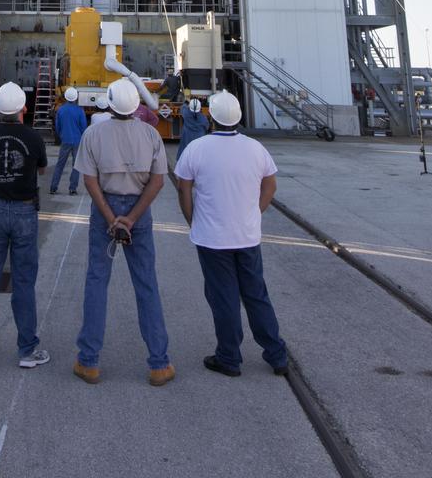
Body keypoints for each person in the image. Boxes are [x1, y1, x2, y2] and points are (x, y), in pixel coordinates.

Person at [175, 89, 288, 378]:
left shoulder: (196, 149)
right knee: (256, 294)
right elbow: (270, 186)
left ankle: (229, 357)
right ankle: (276, 355)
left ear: (209, 117)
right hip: (247, 236)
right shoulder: (255, 148)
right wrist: (254, 213)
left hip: (212, 238)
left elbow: (183, 189)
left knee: (223, 296)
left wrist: (193, 221)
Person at [72, 78, 175, 387]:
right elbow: (158, 181)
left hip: (106, 206)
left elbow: (90, 181)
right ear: (135, 107)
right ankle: (159, 364)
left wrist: (112, 218)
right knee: (146, 284)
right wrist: (131, 218)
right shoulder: (151, 135)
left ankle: (88, 362)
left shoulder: (93, 134)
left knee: (96, 281)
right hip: (138, 211)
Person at [0, 81, 51, 369]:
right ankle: (27, 350)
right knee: (24, 281)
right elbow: (41, 168)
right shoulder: (33, 138)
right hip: (24, 212)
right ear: (23, 109)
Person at [50, 86, 87, 195]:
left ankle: (53, 187)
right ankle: (72, 188)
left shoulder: (61, 110)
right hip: (76, 141)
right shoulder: (80, 110)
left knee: (60, 164)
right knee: (76, 166)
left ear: (65, 98)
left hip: (65, 140)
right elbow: (83, 127)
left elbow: (58, 127)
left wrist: (62, 135)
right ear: (76, 98)